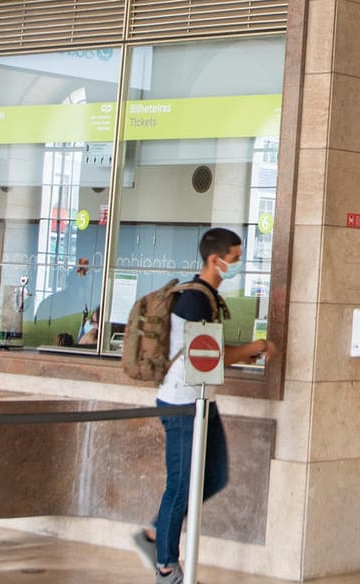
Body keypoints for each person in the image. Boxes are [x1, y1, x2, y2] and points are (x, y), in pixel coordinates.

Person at [132, 228, 269, 582]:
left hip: (201, 401)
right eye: (234, 259)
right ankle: (165, 563)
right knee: (180, 484)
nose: (236, 265)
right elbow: (207, 357)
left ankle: (155, 532)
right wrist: (254, 349)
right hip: (182, 403)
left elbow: (209, 356)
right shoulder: (194, 300)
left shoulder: (206, 296)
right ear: (215, 259)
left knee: (215, 476)